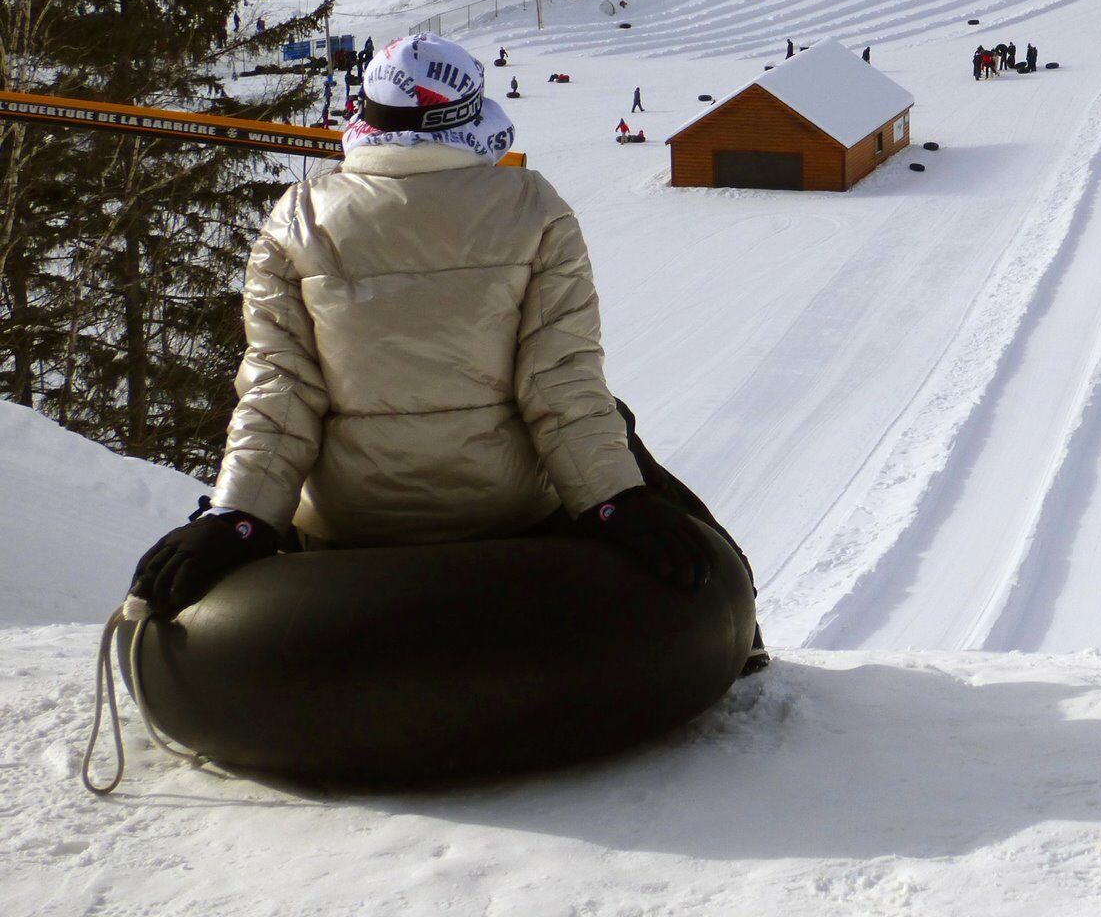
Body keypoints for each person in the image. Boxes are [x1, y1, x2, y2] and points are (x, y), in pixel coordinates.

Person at [125, 34, 764, 670]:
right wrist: (615, 500)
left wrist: (238, 516)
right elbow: (561, 383)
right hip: (506, 508)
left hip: (353, 520)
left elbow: (280, 391)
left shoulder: (299, 218)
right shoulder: (534, 208)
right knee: (612, 419)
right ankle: (748, 630)